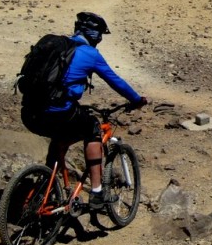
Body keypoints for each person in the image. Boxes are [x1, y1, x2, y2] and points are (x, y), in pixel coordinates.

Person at [22, 12, 147, 209]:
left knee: (59, 138)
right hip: (58, 112)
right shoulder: (90, 54)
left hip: (30, 113)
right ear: (95, 35)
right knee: (92, 128)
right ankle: (97, 192)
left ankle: (46, 185)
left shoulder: (56, 47)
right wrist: (137, 100)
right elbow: (116, 82)